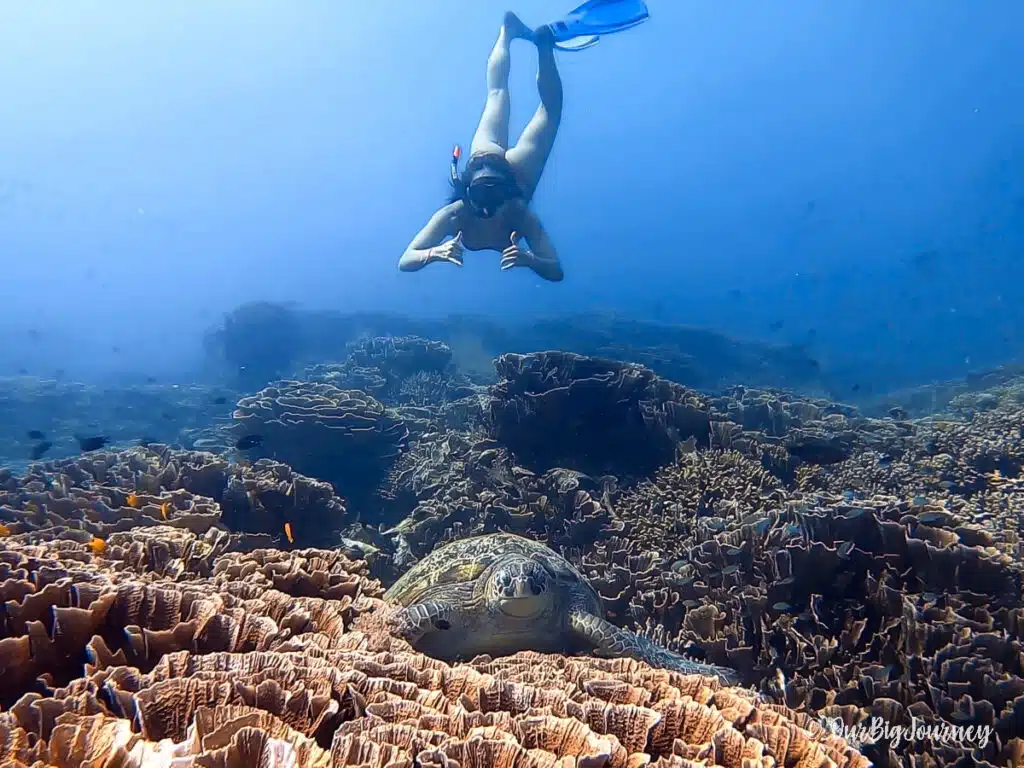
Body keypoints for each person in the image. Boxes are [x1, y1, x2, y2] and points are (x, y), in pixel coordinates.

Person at [399, 12, 566, 282]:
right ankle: (533, 42)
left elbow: (406, 259)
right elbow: (555, 270)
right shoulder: (516, 216)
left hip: (495, 167)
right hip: (505, 173)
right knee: (504, 96)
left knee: (511, 99)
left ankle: (523, 39)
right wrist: (530, 260)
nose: (487, 209)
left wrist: (433, 253)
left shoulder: (457, 215)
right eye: (489, 197)